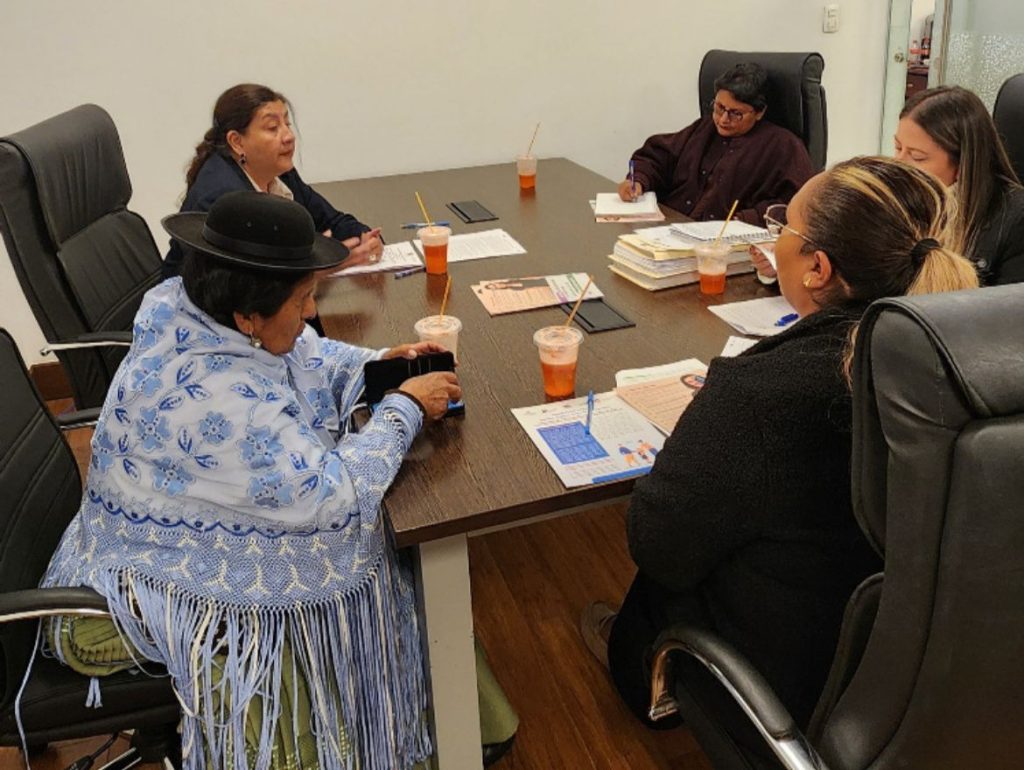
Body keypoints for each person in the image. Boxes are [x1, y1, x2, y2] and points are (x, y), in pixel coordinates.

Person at [41, 191, 491, 769]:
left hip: (106, 544)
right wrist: (402, 408)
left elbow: (307, 355)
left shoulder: (189, 310)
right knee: (367, 547)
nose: (310, 312)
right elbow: (332, 499)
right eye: (302, 300)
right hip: (117, 602)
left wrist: (379, 365)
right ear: (249, 317)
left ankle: (453, 710)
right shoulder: (225, 403)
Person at [583, 157, 979, 767]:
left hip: (789, 678)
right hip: (926, 670)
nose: (775, 240)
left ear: (818, 268)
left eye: (783, 228)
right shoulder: (971, 364)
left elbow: (657, 546)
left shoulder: (762, 393)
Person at [162, 83, 383, 279]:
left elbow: (331, 221)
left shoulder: (279, 172)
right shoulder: (224, 198)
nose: (289, 136)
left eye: (287, 124)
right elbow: (246, 288)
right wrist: (325, 267)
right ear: (236, 142)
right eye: (272, 128)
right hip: (199, 308)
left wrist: (365, 238)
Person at [617, 63, 815, 226]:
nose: (723, 120)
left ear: (759, 112)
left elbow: (799, 205)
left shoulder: (783, 146)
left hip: (726, 242)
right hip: (670, 225)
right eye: (719, 108)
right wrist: (638, 180)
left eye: (736, 113)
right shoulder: (705, 128)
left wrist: (744, 220)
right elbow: (659, 157)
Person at [895, 85, 1024, 285]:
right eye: (897, 147)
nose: (899, 164)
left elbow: (1008, 303)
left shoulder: (1016, 222)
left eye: (917, 156)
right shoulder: (898, 202)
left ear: (962, 164)